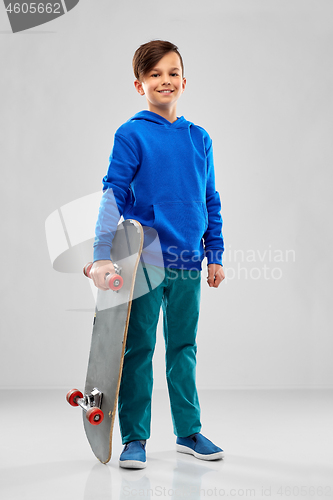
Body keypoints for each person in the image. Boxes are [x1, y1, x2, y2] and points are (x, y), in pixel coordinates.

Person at [90, 40, 225, 469]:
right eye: (154, 75)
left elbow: (210, 199)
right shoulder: (132, 134)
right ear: (139, 85)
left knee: (183, 347)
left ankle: (188, 432)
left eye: (171, 73)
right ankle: (135, 438)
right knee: (139, 349)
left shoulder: (198, 138)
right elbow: (113, 193)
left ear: (184, 81)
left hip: (189, 263)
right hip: (143, 263)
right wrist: (99, 253)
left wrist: (215, 254)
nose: (164, 81)